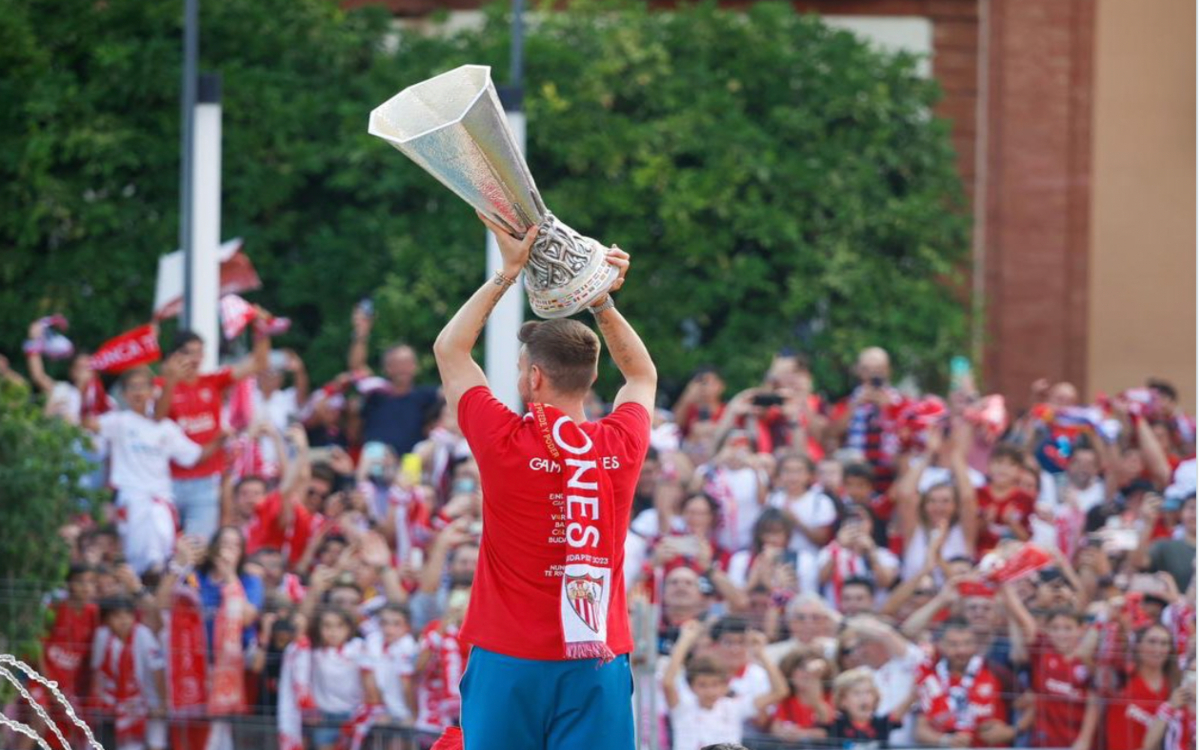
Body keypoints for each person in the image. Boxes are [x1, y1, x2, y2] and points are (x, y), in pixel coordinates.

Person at [432, 213, 654, 750]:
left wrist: (506, 273)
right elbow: (642, 375)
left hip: (508, 658)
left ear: (533, 377)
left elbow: (450, 350)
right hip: (596, 658)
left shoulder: (504, 442)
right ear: (593, 376)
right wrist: (601, 299)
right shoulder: (620, 444)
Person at [97, 367, 221, 573]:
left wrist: (220, 439)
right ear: (124, 394)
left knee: (164, 562)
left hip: (162, 502)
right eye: (132, 388)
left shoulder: (166, 428)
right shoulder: (118, 421)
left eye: (142, 387)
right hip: (131, 500)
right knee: (133, 559)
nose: (138, 393)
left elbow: (193, 456)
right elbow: (88, 425)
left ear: (153, 391)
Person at [156, 326, 270, 539]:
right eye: (190, 352)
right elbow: (157, 420)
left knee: (199, 547)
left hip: (206, 482)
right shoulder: (160, 386)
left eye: (200, 352)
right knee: (165, 548)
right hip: (168, 481)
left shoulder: (213, 381)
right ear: (175, 356)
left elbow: (259, 363)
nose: (197, 359)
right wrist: (171, 381)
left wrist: (260, 329)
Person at [662, 620, 788, 750]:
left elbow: (779, 692)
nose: (710, 691)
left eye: (715, 685)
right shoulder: (683, 707)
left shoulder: (734, 707)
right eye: (702, 685)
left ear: (725, 686)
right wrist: (685, 639)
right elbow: (668, 683)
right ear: (691, 687)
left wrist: (761, 654)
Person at [347, 307, 440, 457]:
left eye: (407, 363)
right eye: (397, 364)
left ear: (415, 367)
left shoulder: (426, 396)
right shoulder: (375, 393)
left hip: (410, 468)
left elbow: (455, 391)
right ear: (387, 368)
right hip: (374, 465)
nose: (403, 369)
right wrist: (361, 334)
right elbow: (357, 369)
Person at [913, 618, 1014, 747]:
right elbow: (920, 730)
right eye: (953, 644)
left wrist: (1011, 732)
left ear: (976, 644)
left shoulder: (995, 670)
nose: (962, 650)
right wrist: (946, 741)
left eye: (967, 643)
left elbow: (1030, 705)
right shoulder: (931, 677)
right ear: (940, 645)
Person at [91, 597, 167, 750]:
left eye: (127, 615)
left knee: (155, 742)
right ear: (107, 619)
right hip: (113, 700)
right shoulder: (102, 636)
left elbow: (158, 670)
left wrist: (163, 704)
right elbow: (97, 672)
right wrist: (95, 701)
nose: (123, 620)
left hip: (149, 698)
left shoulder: (143, 635)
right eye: (117, 616)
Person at [822, 667, 904, 749]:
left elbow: (899, 712)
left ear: (875, 697)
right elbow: (817, 704)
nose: (864, 698)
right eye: (857, 693)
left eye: (868, 692)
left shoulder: (881, 723)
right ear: (843, 700)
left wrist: (914, 693)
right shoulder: (836, 724)